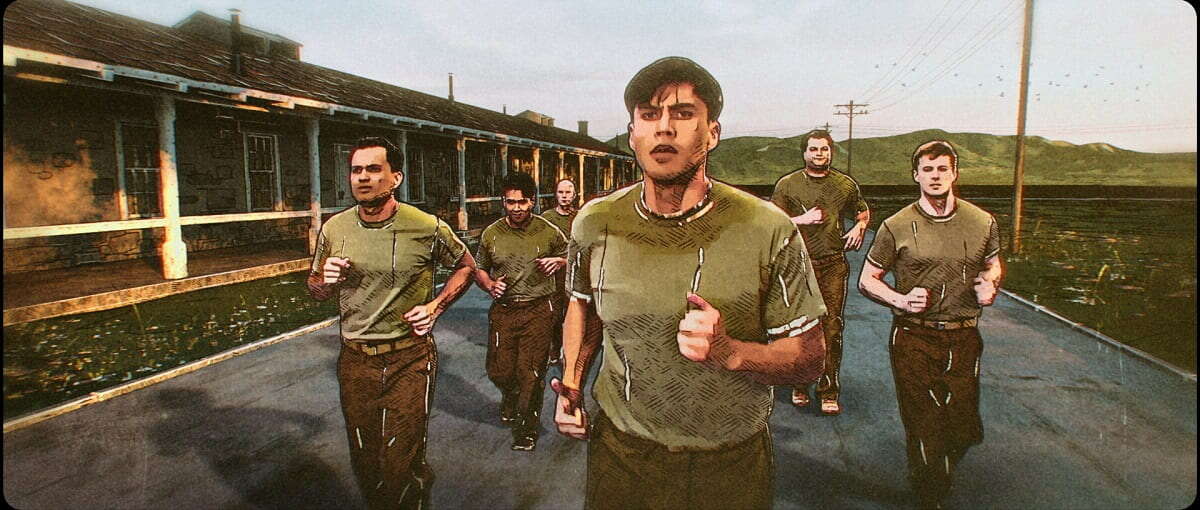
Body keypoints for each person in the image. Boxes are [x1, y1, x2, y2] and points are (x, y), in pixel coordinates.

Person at [549, 56, 827, 510]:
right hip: (621, 454)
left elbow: (810, 359)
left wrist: (731, 352)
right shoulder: (595, 222)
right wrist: (573, 382)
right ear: (632, 134)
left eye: (682, 114)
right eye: (649, 115)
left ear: (712, 133)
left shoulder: (767, 228)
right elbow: (582, 306)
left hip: (728, 462)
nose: (663, 128)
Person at [307, 136, 476, 509]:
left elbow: (466, 266)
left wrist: (435, 307)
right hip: (355, 360)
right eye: (356, 170)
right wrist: (325, 280)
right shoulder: (334, 229)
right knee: (365, 459)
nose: (362, 178)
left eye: (373, 169)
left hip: (409, 358)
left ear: (396, 177)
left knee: (400, 456)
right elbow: (315, 287)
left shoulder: (426, 226)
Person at [858, 140, 1003, 509]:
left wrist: (990, 284)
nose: (935, 176)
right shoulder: (896, 226)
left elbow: (992, 264)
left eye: (942, 169)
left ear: (954, 174)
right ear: (916, 175)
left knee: (964, 427)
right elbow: (867, 279)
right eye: (927, 169)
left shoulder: (982, 221)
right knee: (924, 421)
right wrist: (900, 300)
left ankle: (935, 470)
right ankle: (930, 493)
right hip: (913, 336)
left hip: (963, 335)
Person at [771, 129, 870, 415]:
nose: (819, 154)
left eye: (824, 149)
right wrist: (802, 219)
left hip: (833, 265)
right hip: (798, 265)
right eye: (813, 149)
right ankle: (801, 384)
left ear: (831, 152)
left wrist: (860, 226)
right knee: (801, 327)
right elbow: (773, 223)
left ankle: (828, 390)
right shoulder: (788, 185)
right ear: (804, 153)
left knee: (832, 327)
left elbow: (862, 211)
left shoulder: (845, 185)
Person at [474, 172, 568, 451]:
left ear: (533, 201)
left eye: (522, 202)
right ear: (503, 202)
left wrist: (559, 261)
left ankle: (527, 429)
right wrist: (490, 285)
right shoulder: (491, 233)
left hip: (538, 310)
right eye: (510, 202)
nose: (516, 208)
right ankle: (511, 395)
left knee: (531, 373)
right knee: (499, 371)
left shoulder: (548, 231)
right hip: (504, 311)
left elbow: (573, 255)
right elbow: (479, 269)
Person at [541, 178, 579, 365]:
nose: (564, 196)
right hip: (554, 277)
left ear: (574, 195)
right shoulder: (547, 218)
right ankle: (554, 351)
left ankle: (572, 354)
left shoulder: (580, 217)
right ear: (555, 195)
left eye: (568, 192)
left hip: (575, 276)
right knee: (554, 316)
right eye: (561, 192)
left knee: (574, 317)